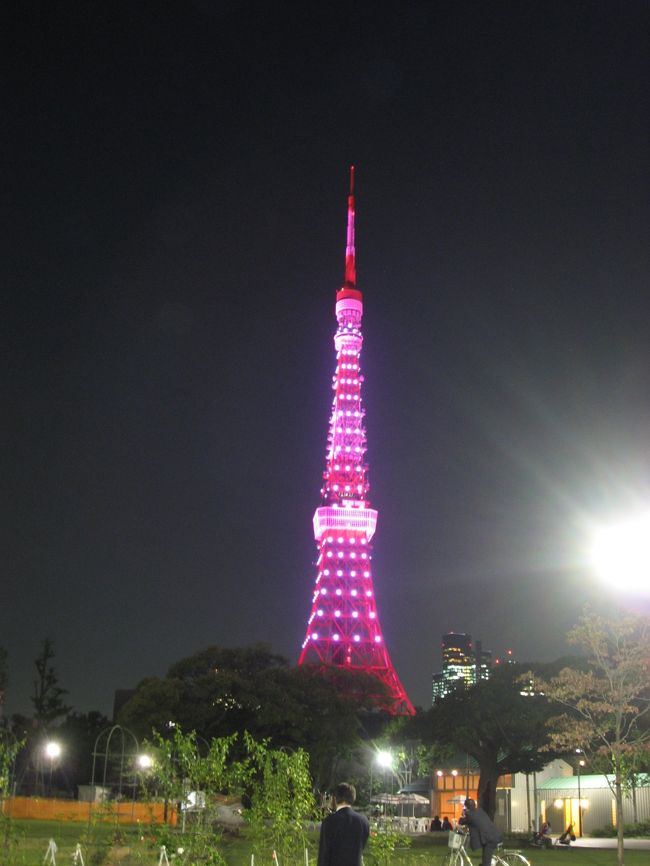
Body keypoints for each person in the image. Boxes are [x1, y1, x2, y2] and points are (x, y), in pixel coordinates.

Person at [317, 782, 370, 866]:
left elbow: (324, 855)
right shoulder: (363, 821)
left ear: (335, 798)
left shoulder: (329, 822)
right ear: (353, 798)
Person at [458, 798, 502, 866]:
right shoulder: (480, 811)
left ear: (466, 807)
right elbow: (476, 823)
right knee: (485, 858)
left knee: (486, 863)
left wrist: (463, 814)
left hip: (489, 839)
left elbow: (462, 821)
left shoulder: (470, 815)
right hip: (493, 835)